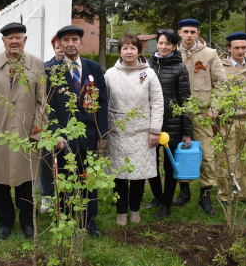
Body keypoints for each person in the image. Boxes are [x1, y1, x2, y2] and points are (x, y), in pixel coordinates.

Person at [0, 22, 45, 240]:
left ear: (25, 40)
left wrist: (37, 132)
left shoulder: (36, 64)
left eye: (18, 37)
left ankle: (27, 222)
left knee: (26, 181)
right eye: (9, 38)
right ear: (3, 41)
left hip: (27, 133)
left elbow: (43, 102)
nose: (14, 41)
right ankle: (5, 221)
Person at [47, 25, 108, 237]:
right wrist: (56, 133)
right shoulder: (52, 72)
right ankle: (67, 218)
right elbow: (48, 106)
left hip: (90, 135)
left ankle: (89, 222)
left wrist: (102, 133)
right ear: (60, 44)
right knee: (65, 178)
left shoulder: (94, 69)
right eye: (66, 40)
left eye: (75, 39)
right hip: (64, 139)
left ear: (81, 43)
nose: (71, 44)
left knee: (88, 179)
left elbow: (102, 102)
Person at [105, 34, 164, 225]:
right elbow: (103, 102)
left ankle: (135, 210)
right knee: (119, 175)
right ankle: (121, 211)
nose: (128, 51)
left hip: (141, 132)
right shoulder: (110, 74)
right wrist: (103, 132)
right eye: (124, 48)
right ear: (119, 51)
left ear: (139, 51)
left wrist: (155, 130)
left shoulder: (149, 73)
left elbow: (157, 102)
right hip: (117, 132)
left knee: (138, 174)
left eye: (132, 48)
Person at [177, 19, 225, 215]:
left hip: (203, 114)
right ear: (179, 32)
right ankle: (184, 191)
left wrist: (215, 108)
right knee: (182, 154)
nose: (189, 35)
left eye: (193, 32)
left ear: (198, 33)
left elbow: (222, 83)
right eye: (185, 31)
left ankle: (205, 197)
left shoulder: (210, 54)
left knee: (206, 155)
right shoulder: (173, 53)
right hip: (179, 114)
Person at [146, 29, 192, 219]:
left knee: (170, 166)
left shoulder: (180, 68)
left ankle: (166, 204)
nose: (164, 47)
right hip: (150, 123)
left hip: (173, 123)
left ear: (174, 46)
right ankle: (157, 196)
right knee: (151, 163)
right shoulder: (148, 66)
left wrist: (187, 131)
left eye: (168, 44)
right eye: (161, 43)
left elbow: (185, 100)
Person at [217, 32, 246, 206]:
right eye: (236, 47)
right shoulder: (220, 67)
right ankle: (225, 194)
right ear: (228, 48)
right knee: (226, 160)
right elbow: (217, 93)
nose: (240, 51)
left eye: (244, 47)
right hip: (228, 121)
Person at [39, 35, 64, 213]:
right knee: (46, 160)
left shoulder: (76, 69)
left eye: (63, 46)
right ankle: (46, 195)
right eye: (57, 47)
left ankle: (68, 195)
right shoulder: (45, 70)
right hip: (49, 122)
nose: (61, 49)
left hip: (71, 123)